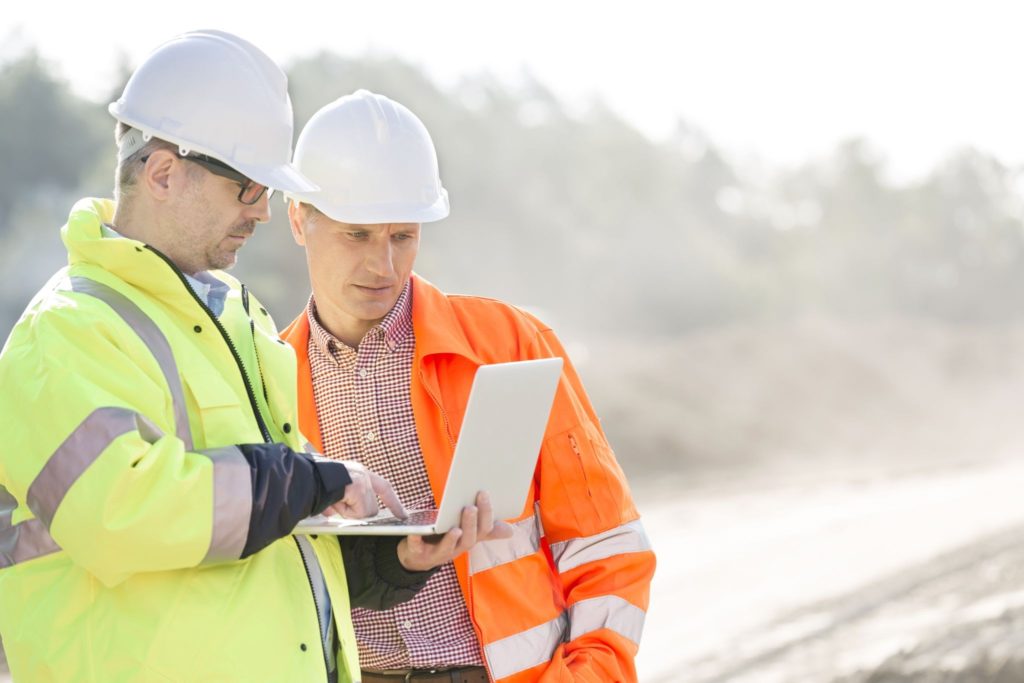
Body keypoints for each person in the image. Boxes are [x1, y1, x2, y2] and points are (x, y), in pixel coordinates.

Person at [0, 32, 504, 683]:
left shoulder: (237, 319)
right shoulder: (66, 331)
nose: (264, 212)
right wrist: (302, 480)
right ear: (162, 173)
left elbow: (249, 542)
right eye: (248, 188)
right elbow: (117, 512)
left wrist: (388, 563)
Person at [281, 90, 657, 683]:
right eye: (357, 235)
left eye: (402, 236)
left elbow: (605, 542)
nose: (383, 265)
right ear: (298, 218)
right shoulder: (268, 378)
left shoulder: (509, 343)